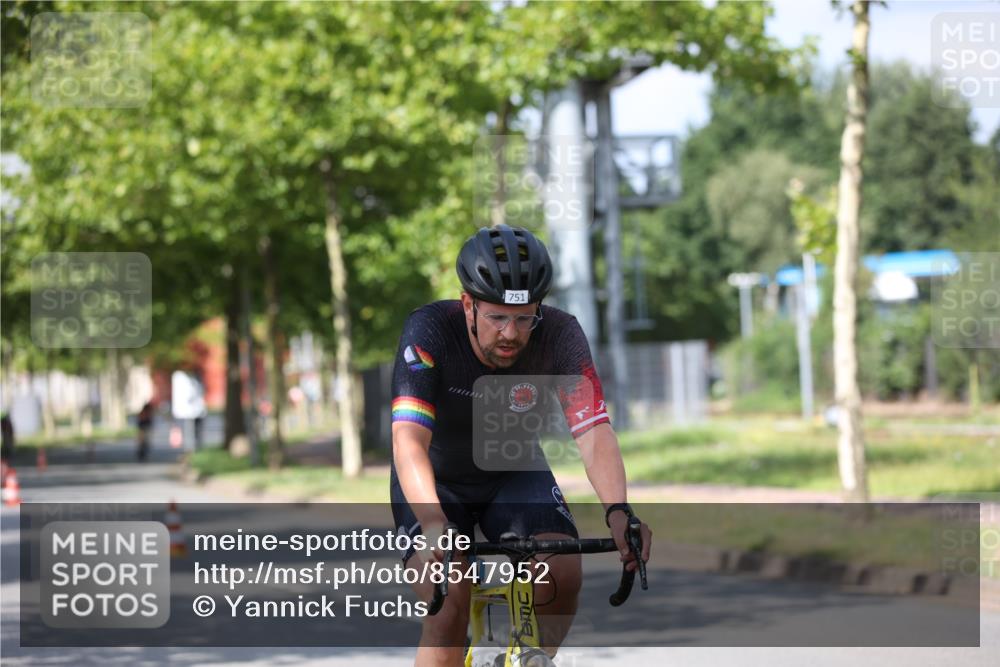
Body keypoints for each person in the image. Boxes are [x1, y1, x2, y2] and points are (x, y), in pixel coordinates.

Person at [390, 224, 652, 666]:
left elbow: (592, 431)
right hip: (437, 481)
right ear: (468, 305)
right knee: (449, 595)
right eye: (497, 317)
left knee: (561, 572)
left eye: (524, 317)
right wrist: (433, 522)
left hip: (513, 472)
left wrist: (617, 509)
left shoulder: (561, 334)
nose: (511, 334)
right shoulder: (429, 330)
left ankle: (533, 659)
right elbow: (408, 440)